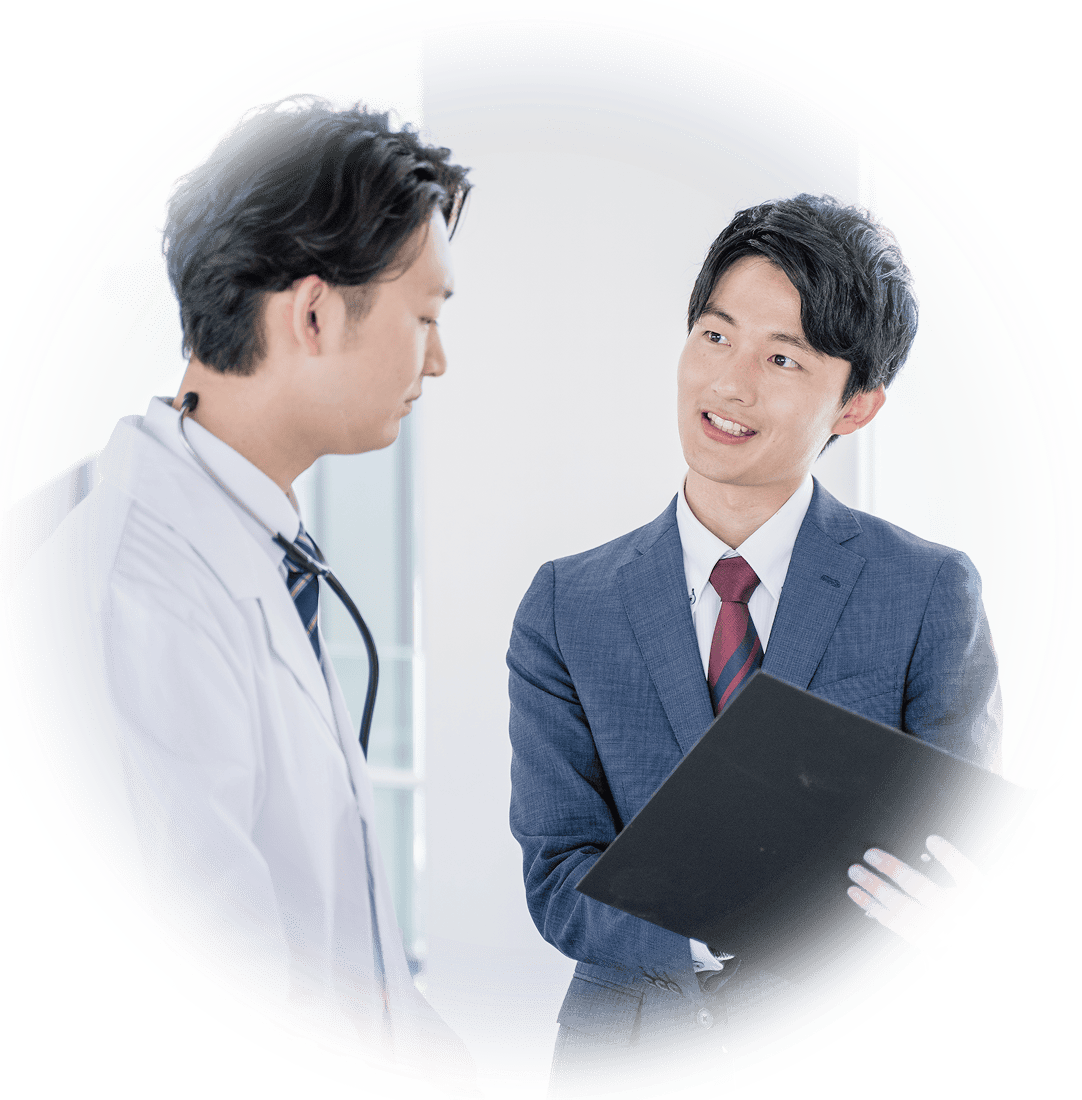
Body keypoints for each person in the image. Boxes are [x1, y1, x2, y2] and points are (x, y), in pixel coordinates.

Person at [9, 95, 480, 1097]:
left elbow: (318, 933)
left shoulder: (249, 545)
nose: (437, 359)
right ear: (313, 314)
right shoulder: (137, 590)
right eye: (425, 317)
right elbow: (222, 999)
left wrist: (431, 1052)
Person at [506, 194, 1003, 1097]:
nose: (729, 385)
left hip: (847, 1049)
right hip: (626, 1060)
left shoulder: (925, 590)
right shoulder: (567, 605)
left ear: (857, 405)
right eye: (714, 336)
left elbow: (966, 862)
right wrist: (725, 925)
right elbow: (557, 876)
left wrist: (955, 905)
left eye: (782, 358)